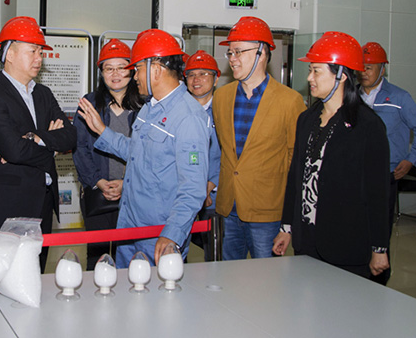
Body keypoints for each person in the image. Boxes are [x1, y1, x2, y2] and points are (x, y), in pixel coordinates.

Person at [77, 28, 209, 268]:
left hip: (158, 234)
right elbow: (136, 151)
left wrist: (172, 235)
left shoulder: (188, 117)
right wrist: (102, 131)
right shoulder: (150, 107)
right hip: (130, 225)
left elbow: (193, 188)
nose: (134, 76)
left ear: (155, 69)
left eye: (137, 68)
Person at [273, 31, 390, 280]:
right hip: (307, 241)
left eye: (316, 71)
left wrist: (379, 248)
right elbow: (296, 177)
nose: (309, 78)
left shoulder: (367, 126)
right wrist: (287, 227)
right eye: (310, 71)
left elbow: (378, 192)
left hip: (346, 244)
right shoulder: (307, 119)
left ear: (341, 75)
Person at [0, 16, 76, 271]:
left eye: (41, 52)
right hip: (10, 202)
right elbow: (14, 150)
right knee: (6, 274)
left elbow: (71, 136)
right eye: (32, 51)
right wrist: (51, 147)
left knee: (37, 274)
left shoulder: (43, 93)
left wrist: (36, 138)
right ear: (9, 54)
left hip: (43, 201)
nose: (39, 58)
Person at [212, 16, 305, 261]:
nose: (232, 59)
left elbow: (295, 160)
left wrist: (288, 221)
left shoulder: (290, 101)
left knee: (267, 279)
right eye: (230, 52)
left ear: (261, 53)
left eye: (239, 52)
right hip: (228, 207)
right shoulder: (221, 97)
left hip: (267, 211)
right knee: (228, 276)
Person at [357, 41, 416, 284]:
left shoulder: (399, 97)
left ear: (383, 69)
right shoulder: (352, 97)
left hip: (385, 174)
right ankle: (356, 275)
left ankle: (379, 280)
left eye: (370, 67)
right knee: (356, 228)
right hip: (355, 175)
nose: (364, 72)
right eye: (361, 67)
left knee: (379, 229)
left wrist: (411, 159)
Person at [72, 39, 144, 270]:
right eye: (108, 68)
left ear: (132, 70)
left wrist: (126, 182)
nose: (115, 74)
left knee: (133, 255)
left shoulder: (146, 105)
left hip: (135, 192)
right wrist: (98, 181)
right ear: (101, 72)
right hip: (98, 191)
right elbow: (79, 147)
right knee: (98, 256)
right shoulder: (90, 103)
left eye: (121, 67)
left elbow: (147, 152)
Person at [183, 50, 222, 260]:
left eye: (203, 74)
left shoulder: (224, 111)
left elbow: (231, 155)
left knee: (214, 255)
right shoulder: (179, 112)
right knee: (176, 254)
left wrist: (209, 184)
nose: (196, 79)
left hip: (214, 198)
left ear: (216, 79)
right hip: (181, 196)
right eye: (191, 75)